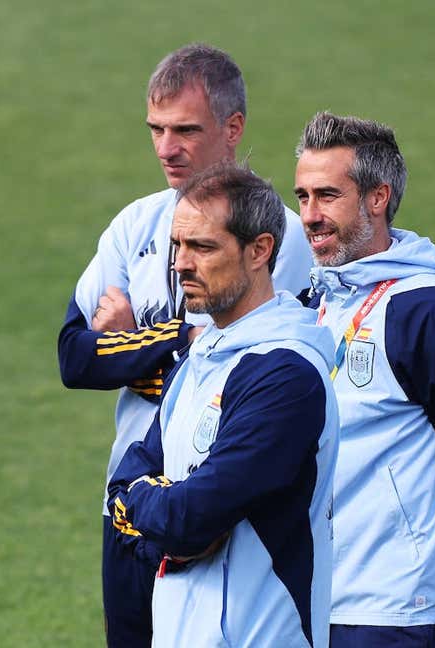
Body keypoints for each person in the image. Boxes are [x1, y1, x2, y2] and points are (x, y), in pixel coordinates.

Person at [56, 43, 313, 647]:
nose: (166, 148)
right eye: (157, 129)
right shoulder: (134, 225)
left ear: (233, 128)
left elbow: (256, 376)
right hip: (131, 497)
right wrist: (180, 339)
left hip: (232, 512)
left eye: (185, 130)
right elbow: (73, 357)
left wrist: (128, 345)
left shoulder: (279, 236)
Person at [292, 111, 435, 646]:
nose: (309, 215)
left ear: (378, 197)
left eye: (327, 195)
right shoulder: (313, 303)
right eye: (302, 196)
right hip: (304, 598)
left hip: (393, 608)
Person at [107, 163, 338, 648]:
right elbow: (122, 487)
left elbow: (192, 515)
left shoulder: (285, 374)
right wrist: (165, 523)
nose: (180, 264)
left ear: (260, 250)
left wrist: (165, 515)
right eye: (178, 245)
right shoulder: (196, 361)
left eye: (202, 247)